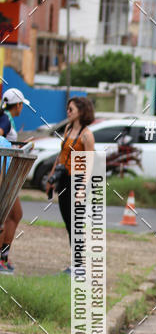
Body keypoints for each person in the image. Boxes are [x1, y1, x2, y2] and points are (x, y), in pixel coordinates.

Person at [45, 97, 95, 272]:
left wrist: (82, 187)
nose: (68, 112)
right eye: (67, 109)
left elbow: (90, 163)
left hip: (78, 180)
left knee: (76, 223)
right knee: (68, 222)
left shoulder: (87, 135)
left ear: (81, 112)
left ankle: (79, 264)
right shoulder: (67, 129)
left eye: (71, 109)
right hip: (64, 178)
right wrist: (51, 178)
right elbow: (60, 155)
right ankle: (76, 262)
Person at [0, 88, 30, 273]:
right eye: (21, 105)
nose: (21, 109)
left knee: (14, 215)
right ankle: (2, 259)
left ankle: (4, 257)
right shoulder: (5, 119)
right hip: (5, 173)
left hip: (8, 172)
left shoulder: (6, 118)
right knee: (7, 216)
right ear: (18, 105)